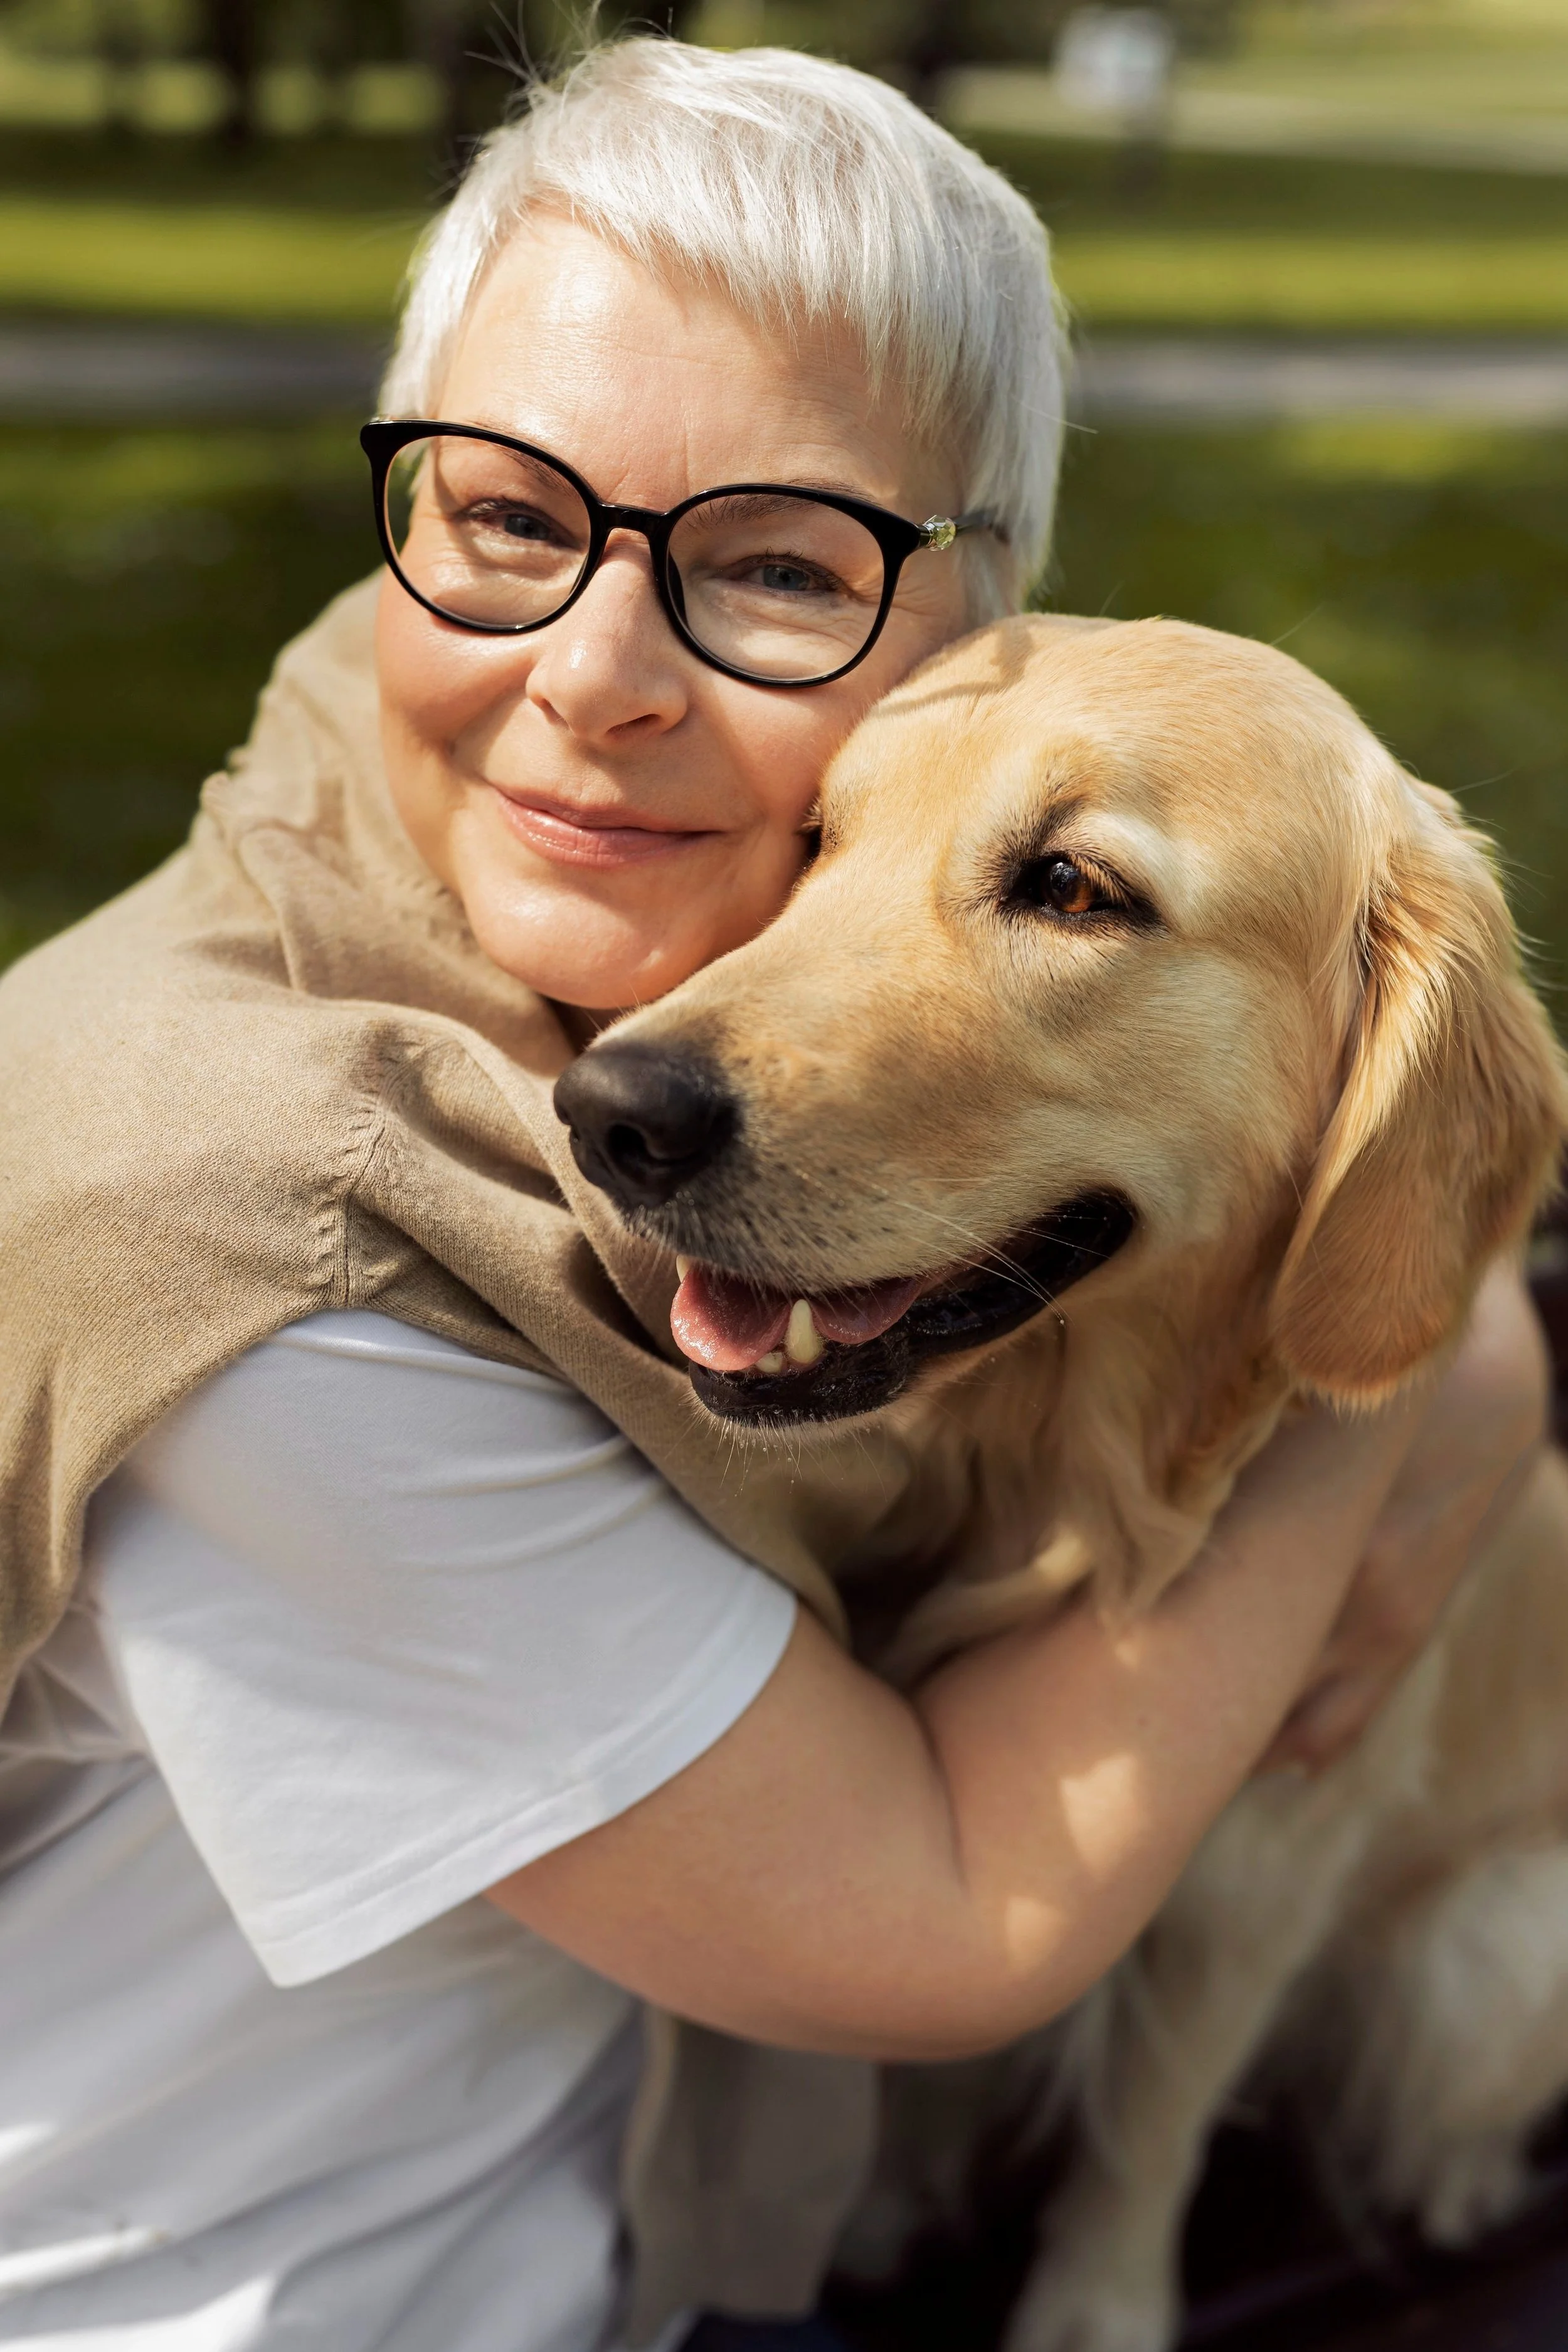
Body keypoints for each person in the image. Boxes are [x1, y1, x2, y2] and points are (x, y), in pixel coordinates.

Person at [0, 37, 1547, 2352]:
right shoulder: (273, 1282)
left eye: (765, 561)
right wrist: (1397, 1398)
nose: (592, 675)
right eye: (513, 517)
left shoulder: (544, 848)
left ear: (948, 624)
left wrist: (1446, 1304)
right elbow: (947, 1924)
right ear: (406, 510)